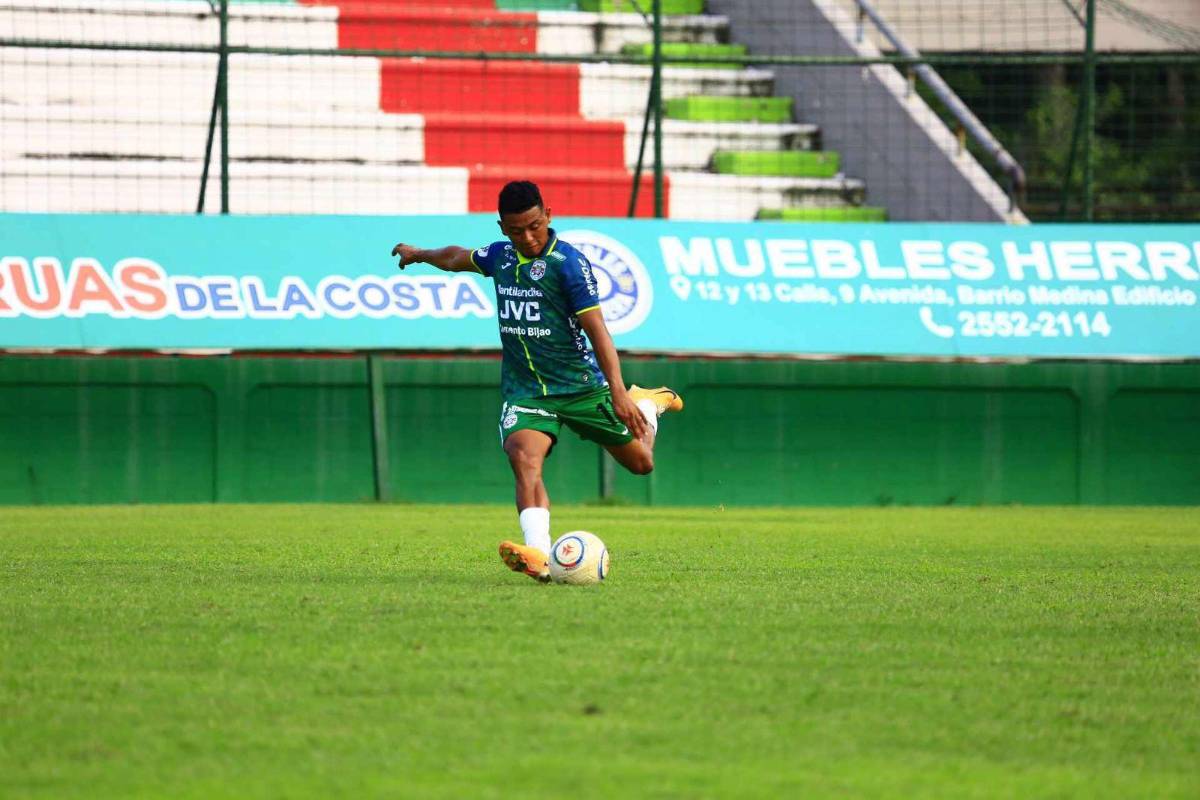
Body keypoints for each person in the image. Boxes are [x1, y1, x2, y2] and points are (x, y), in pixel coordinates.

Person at [391, 180, 682, 582]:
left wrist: (619, 392)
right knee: (523, 458)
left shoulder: (569, 264)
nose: (526, 237)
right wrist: (419, 254)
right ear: (501, 228)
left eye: (533, 226)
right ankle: (540, 556)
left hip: (580, 386)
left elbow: (597, 330)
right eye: (515, 230)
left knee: (641, 463)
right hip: (526, 391)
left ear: (548, 214)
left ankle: (649, 403)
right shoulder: (500, 257)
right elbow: (456, 257)